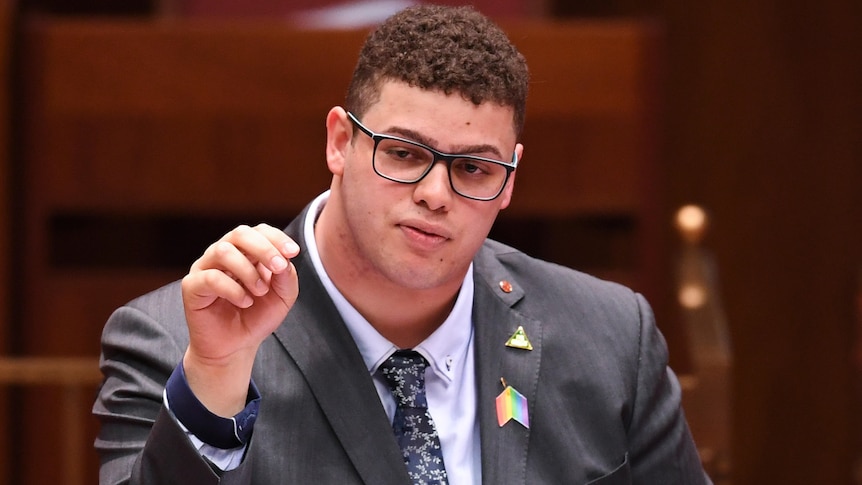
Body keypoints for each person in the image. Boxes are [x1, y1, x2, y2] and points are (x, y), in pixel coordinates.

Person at [93, 4, 711, 484]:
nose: (435, 194)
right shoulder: (177, 341)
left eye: (473, 168)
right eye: (405, 154)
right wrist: (217, 377)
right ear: (340, 142)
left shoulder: (608, 336)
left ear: (509, 181)